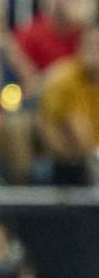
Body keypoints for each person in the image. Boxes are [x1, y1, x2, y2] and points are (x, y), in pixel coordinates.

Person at [39, 25, 99, 185]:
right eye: (90, 44)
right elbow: (78, 136)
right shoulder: (63, 78)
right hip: (67, 162)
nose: (94, 51)